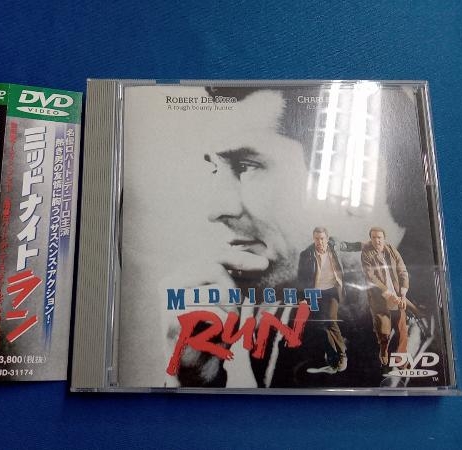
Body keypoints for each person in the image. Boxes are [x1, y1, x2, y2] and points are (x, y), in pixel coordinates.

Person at [159, 86, 405, 388]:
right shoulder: (284, 309)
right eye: (214, 169)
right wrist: (193, 379)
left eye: (245, 166)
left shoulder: (428, 328)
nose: (216, 209)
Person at [297, 227, 348, 373]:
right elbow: (301, 278)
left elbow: (347, 246)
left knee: (331, 320)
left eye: (322, 239)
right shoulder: (306, 254)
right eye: (316, 239)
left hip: (332, 290)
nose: (319, 242)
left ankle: (342, 355)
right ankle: (333, 359)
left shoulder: (335, 248)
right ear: (313, 239)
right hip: (315, 292)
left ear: (327, 238)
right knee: (320, 325)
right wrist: (302, 298)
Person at [360, 227, 409, 371]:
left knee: (402, 330)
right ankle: (383, 352)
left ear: (384, 238)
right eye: (374, 237)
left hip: (398, 296)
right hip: (380, 298)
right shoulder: (366, 253)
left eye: (379, 237)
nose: (377, 240)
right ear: (371, 239)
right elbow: (371, 277)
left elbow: (402, 270)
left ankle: (401, 361)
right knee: (384, 330)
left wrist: (403, 293)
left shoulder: (391, 250)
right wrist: (387, 293)